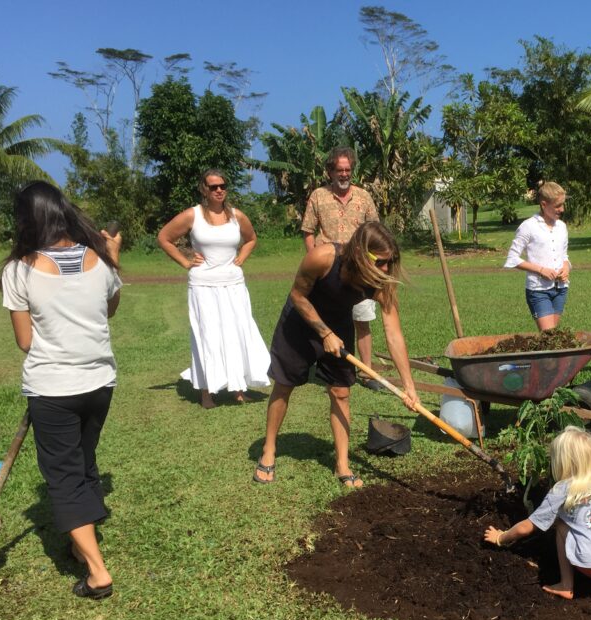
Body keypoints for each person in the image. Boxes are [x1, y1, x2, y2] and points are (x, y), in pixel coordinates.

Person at [0, 181, 123, 599]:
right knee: (83, 462)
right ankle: (77, 541)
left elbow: (25, 341)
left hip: (53, 388)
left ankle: (97, 572)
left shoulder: (20, 269)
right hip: (99, 382)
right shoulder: (99, 259)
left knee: (64, 476)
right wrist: (115, 259)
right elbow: (109, 310)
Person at [254, 221, 419, 487]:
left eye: (391, 262)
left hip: (339, 325)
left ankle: (342, 463)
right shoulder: (322, 257)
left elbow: (394, 333)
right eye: (381, 262)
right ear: (361, 255)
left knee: (341, 392)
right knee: (284, 385)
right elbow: (297, 295)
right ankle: (269, 449)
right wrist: (323, 332)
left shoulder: (381, 282)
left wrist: (409, 386)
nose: (386, 270)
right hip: (299, 323)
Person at [483, 426, 591, 599]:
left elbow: (528, 526)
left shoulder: (562, 489)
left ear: (562, 462)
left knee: (562, 526)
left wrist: (500, 538)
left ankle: (566, 585)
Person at [157, 169, 271, 409]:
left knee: (237, 332)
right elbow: (164, 238)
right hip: (203, 284)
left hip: (233, 283)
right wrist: (186, 262)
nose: (219, 190)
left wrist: (241, 257)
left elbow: (251, 239)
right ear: (204, 190)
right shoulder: (193, 215)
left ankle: (238, 389)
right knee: (206, 335)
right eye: (213, 187)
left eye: (223, 185)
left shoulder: (237, 216)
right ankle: (206, 393)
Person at [301, 147, 381, 381]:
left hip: (359, 270)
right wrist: (313, 260)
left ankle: (366, 372)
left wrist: (371, 262)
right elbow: (308, 230)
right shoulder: (318, 196)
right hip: (326, 271)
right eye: (340, 170)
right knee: (322, 320)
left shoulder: (364, 196)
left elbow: (374, 231)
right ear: (330, 171)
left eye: (348, 170)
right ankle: (319, 366)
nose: (344, 174)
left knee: (362, 319)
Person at [504, 182, 571, 330]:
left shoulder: (562, 227)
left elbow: (564, 255)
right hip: (538, 290)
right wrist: (541, 270)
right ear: (543, 204)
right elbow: (512, 259)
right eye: (557, 206)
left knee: (553, 338)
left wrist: (566, 268)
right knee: (549, 335)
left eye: (563, 204)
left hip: (561, 289)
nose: (562, 209)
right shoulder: (528, 226)